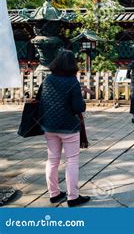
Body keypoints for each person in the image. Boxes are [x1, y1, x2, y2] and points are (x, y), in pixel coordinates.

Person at [39, 50, 90, 207]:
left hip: (49, 126)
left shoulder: (48, 80)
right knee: (72, 161)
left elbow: (40, 99)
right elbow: (78, 107)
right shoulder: (72, 81)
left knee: (52, 160)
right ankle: (73, 197)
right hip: (69, 128)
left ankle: (54, 194)